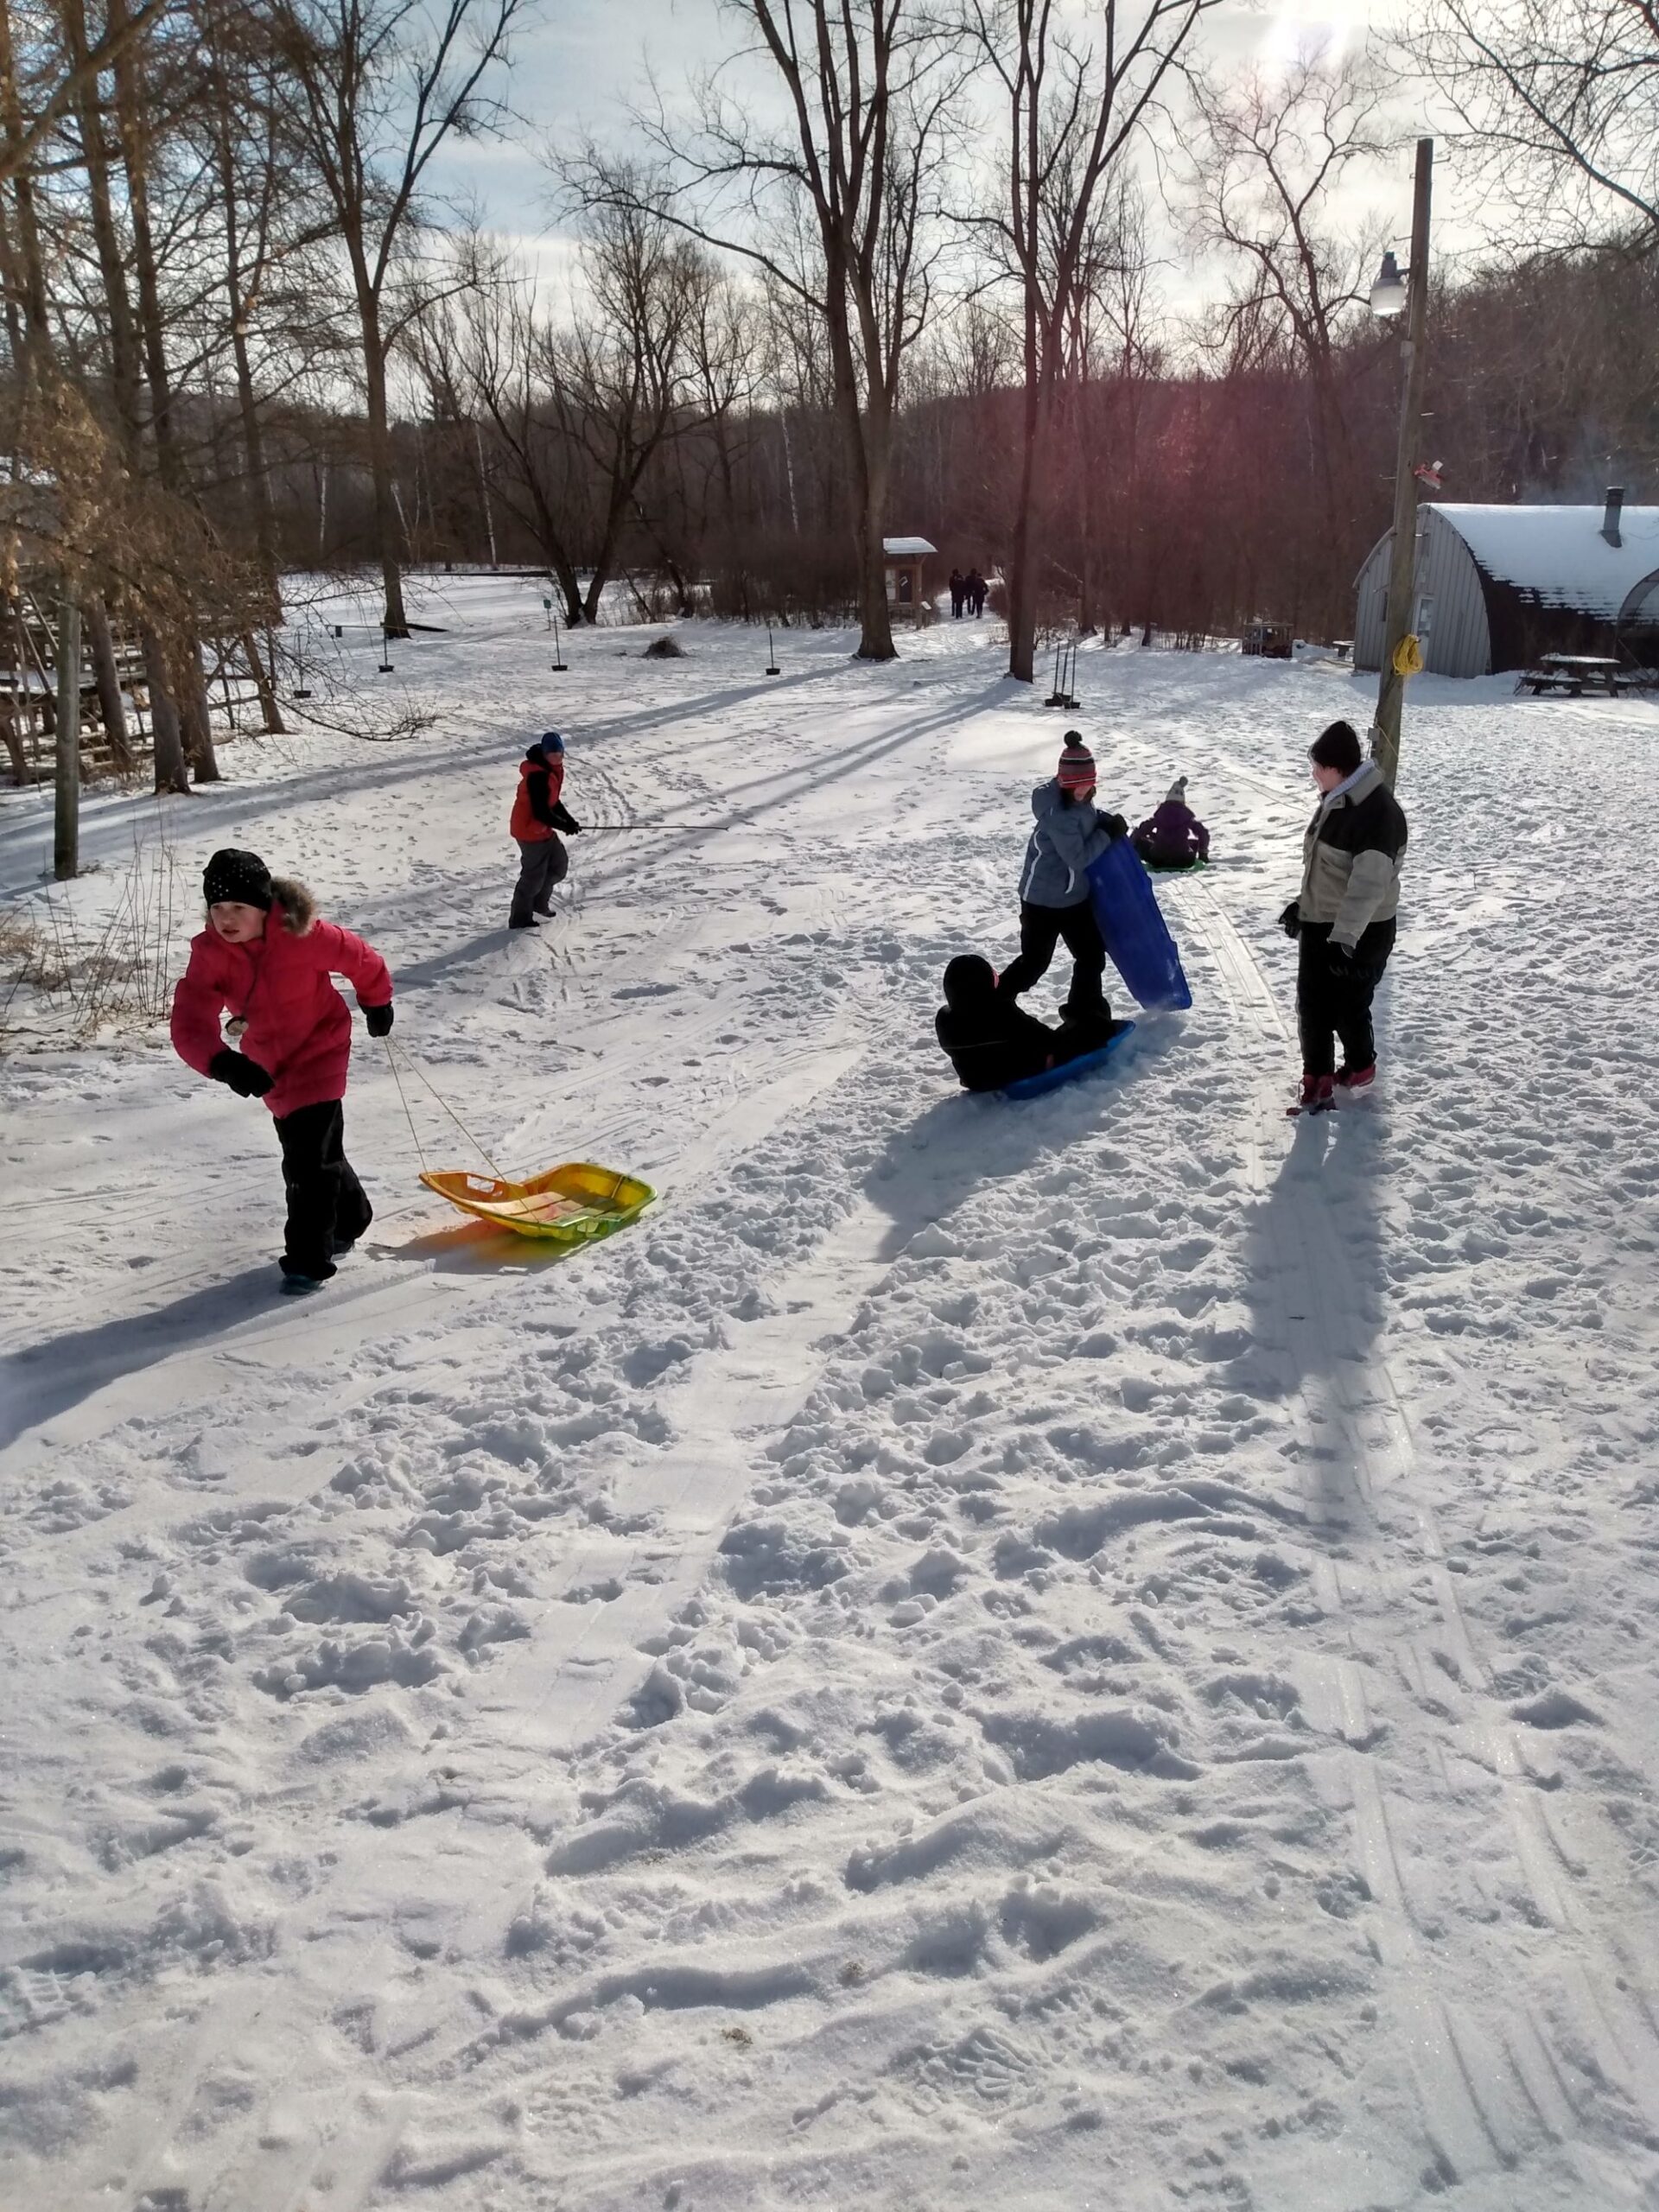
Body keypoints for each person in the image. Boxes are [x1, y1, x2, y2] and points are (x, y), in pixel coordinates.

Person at [170, 849, 394, 1293]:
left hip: (322, 1048)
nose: (226, 919)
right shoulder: (212, 954)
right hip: (269, 1062)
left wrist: (377, 999)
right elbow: (190, 1019)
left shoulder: (302, 934)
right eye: (217, 908)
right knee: (310, 1149)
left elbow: (361, 958)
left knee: (307, 1161)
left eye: (238, 908)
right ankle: (351, 1215)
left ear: (264, 907)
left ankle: (308, 1259)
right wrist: (222, 1062)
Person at [1279, 719, 1408, 1115]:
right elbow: (1326, 868)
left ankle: (1360, 1066)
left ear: (1339, 767)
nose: (1314, 773)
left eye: (1319, 766)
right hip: (1324, 923)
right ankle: (1315, 1078)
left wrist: (1344, 939)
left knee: (1347, 1005)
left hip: (1363, 929)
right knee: (1312, 1003)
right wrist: (1304, 905)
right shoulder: (1337, 798)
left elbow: (1368, 886)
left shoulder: (1377, 813)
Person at [997, 734, 1128, 1021]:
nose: (1082, 791)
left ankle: (1085, 1013)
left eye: (1087, 785)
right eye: (1076, 787)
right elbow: (1077, 858)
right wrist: (1107, 834)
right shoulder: (1058, 814)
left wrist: (1102, 822)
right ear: (1063, 784)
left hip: (1072, 898)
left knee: (1092, 955)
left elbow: (1084, 823)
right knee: (1035, 962)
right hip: (1042, 902)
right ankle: (993, 1004)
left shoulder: (1076, 802)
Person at [936, 954, 1124, 1092]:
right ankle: (1076, 1015)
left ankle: (1074, 1016)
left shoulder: (944, 1019)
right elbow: (1046, 1039)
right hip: (1031, 1068)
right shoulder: (1001, 1014)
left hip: (979, 1080)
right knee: (1097, 1023)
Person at [509, 732, 582, 930]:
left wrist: (569, 820)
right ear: (544, 753)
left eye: (560, 754)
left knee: (558, 866)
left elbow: (553, 801)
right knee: (533, 877)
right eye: (553, 754)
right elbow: (541, 811)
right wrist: (563, 825)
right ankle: (519, 919)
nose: (557, 758)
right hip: (529, 831)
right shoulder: (538, 776)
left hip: (542, 829)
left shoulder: (552, 769)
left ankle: (538, 904)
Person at [1131, 776, 1211, 870]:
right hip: (1184, 860)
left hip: (1158, 860)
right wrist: (1203, 854)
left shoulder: (1160, 816)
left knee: (1140, 843)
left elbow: (1141, 832)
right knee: (1194, 843)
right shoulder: (1187, 817)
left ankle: (1129, 856)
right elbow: (1203, 833)